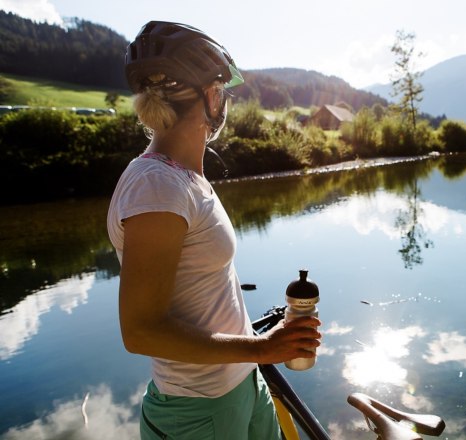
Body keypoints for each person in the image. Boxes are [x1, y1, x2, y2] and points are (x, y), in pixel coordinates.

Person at [107, 21, 321, 440]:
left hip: (243, 384)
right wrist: (263, 349)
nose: (224, 99)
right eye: (221, 88)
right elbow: (140, 331)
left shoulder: (184, 178)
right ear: (209, 96)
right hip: (198, 412)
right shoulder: (156, 185)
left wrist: (259, 352)